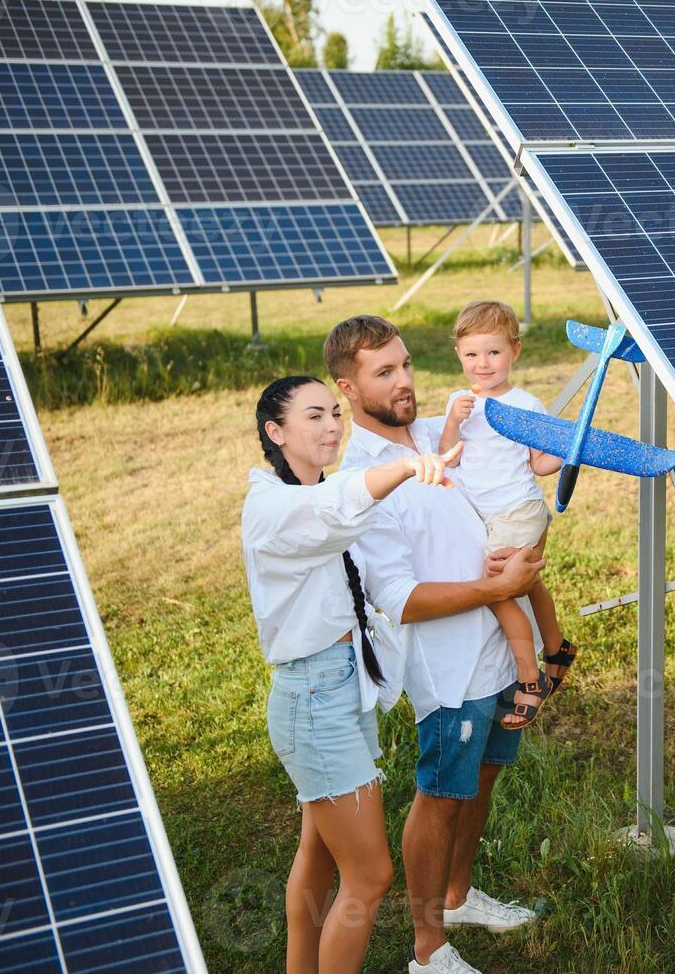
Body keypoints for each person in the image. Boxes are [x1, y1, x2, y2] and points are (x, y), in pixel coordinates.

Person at [327, 315, 545, 974]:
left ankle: (456, 896)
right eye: (383, 372)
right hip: (448, 667)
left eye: (404, 365)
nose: (403, 382)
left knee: (482, 777)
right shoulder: (363, 481)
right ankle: (428, 950)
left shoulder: (435, 433)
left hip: (500, 647)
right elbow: (403, 600)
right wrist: (495, 590)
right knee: (442, 792)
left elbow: (521, 473)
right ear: (346, 386)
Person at [241, 375, 460, 974]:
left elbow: (346, 508)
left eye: (335, 414)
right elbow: (335, 510)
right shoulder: (272, 506)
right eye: (314, 417)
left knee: (317, 852)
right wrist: (411, 466)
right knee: (370, 874)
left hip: (341, 690)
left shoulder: (316, 489)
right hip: (313, 701)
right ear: (275, 431)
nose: (333, 426)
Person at [438, 300, 577, 730]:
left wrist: (568, 450)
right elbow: (448, 458)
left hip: (517, 510)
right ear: (460, 357)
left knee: (499, 590)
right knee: (529, 584)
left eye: (493, 352)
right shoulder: (459, 401)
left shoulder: (525, 403)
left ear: (514, 351)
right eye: (472, 355)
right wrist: (453, 422)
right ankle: (558, 650)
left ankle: (530, 679)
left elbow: (539, 464)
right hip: (490, 517)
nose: (483, 364)